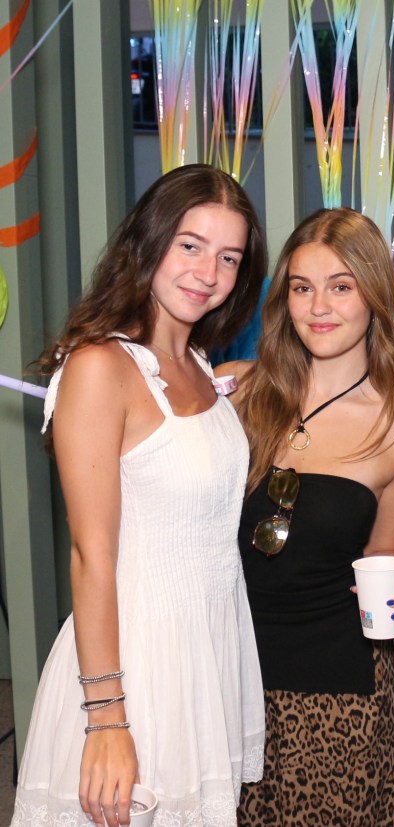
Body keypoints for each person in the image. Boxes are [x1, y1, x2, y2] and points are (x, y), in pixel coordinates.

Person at [13, 163, 268, 826]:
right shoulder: (102, 367)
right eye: (190, 245)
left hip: (204, 657)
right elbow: (91, 554)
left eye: (229, 257)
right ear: (148, 242)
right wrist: (105, 721)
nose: (207, 271)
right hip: (132, 666)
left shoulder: (202, 368)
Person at [216, 208, 394, 827]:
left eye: (341, 286)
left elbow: (384, 569)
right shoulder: (237, 396)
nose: (319, 306)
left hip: (336, 699)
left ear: (375, 295)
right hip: (226, 676)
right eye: (302, 287)